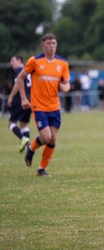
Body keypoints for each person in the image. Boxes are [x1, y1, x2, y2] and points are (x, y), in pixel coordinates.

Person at [17, 33, 70, 177]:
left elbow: (66, 83)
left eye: (54, 43)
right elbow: (20, 78)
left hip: (54, 107)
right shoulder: (34, 60)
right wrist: (23, 98)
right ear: (43, 45)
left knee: (52, 138)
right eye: (48, 43)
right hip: (38, 106)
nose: (52, 46)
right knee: (46, 137)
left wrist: (66, 88)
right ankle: (31, 147)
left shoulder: (63, 63)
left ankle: (41, 169)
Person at [6, 55, 32, 152]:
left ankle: (23, 139)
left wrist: (11, 96)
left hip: (20, 100)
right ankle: (27, 148)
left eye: (12, 60)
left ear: (19, 60)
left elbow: (17, 84)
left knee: (11, 123)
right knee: (23, 125)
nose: (11, 63)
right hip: (29, 101)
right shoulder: (28, 70)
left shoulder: (19, 71)